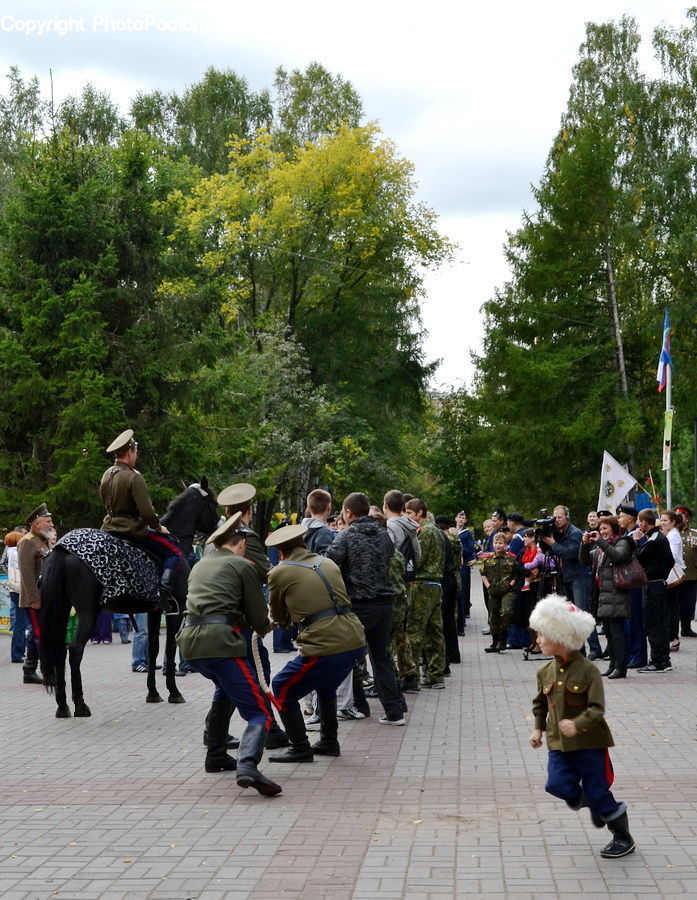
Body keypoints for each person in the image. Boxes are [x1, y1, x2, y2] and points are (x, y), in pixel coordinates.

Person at [176, 513, 282, 796]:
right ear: (242, 544)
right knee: (259, 713)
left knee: (224, 690)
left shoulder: (199, 565)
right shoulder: (242, 565)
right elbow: (258, 616)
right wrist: (269, 624)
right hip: (221, 642)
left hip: (190, 643)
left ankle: (216, 755)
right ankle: (247, 766)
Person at [528, 594, 635, 859]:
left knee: (599, 791)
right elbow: (540, 703)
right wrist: (538, 729)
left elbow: (597, 709)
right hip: (558, 744)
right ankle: (591, 803)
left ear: (560, 636)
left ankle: (622, 836)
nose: (538, 640)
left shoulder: (588, 670)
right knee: (556, 784)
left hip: (590, 744)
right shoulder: (544, 672)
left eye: (542, 634)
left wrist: (577, 724)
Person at [263, 524, 366, 761]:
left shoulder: (279, 572)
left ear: (280, 551)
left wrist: (283, 621)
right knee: (326, 685)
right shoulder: (327, 563)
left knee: (281, 687)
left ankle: (300, 747)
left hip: (325, 645)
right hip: (354, 639)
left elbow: (278, 615)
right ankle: (329, 741)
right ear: (303, 544)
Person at [326, 492, 405, 723]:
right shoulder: (383, 535)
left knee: (349, 658)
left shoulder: (346, 535)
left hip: (358, 606)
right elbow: (390, 556)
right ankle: (394, 711)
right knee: (382, 658)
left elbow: (328, 562)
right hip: (385, 604)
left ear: (348, 512)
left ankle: (357, 705)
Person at [100, 429, 182, 612]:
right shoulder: (133, 477)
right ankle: (163, 596)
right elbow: (147, 513)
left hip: (108, 527)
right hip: (131, 530)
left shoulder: (106, 474)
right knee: (174, 553)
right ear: (130, 452)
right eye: (136, 452)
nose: (136, 456)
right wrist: (158, 527)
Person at [539, 505, 602, 659]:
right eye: (555, 517)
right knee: (573, 616)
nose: (556, 520)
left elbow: (570, 554)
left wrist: (552, 542)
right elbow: (548, 550)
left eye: (559, 517)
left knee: (582, 613)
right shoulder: (557, 532)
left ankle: (595, 648)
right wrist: (544, 537)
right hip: (566, 577)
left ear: (567, 517)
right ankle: (579, 650)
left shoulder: (574, 533)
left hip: (579, 577)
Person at [580, 516, 633, 678]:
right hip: (603, 594)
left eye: (605, 528)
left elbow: (618, 556)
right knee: (609, 633)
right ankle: (612, 664)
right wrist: (584, 544)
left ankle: (621, 667)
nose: (602, 532)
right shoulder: (601, 548)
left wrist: (600, 542)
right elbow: (584, 560)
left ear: (614, 528)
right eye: (600, 529)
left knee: (618, 633)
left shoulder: (622, 542)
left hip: (617, 593)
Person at [404, 498, 446, 689]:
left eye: (409, 513)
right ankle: (436, 674)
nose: (407, 516)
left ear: (419, 513)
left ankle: (410, 674)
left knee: (415, 630)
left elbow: (417, 559)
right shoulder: (437, 531)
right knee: (434, 631)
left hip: (421, 585)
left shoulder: (424, 532)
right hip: (435, 583)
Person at [630, 508, 675, 673]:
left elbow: (637, 557)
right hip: (658, 583)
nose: (638, 525)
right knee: (659, 622)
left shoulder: (654, 539)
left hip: (653, 585)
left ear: (643, 522)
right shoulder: (657, 537)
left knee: (653, 623)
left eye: (639, 521)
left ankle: (658, 661)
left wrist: (635, 541)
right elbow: (669, 561)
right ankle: (663, 659)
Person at [18, 503, 54, 684]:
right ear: (37, 524)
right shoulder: (27, 541)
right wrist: (34, 599)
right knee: (40, 634)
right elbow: (26, 574)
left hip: (44, 596)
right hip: (35, 598)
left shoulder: (40, 540)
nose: (51, 524)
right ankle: (44, 672)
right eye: (48, 521)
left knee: (37, 633)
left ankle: (29, 670)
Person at [480, 532, 523, 653]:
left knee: (506, 612)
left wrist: (510, 585)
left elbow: (516, 575)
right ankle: (495, 642)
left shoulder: (511, 558)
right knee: (493, 616)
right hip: (493, 590)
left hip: (507, 590)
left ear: (505, 544)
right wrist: (489, 587)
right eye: (495, 543)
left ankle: (503, 640)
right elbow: (483, 574)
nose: (498, 545)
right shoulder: (487, 559)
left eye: (500, 543)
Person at [617, 504, 647, 669]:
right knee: (629, 620)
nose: (620, 519)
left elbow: (638, 556)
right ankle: (631, 654)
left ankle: (638, 656)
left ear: (630, 518)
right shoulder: (627, 534)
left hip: (634, 582)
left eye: (621, 516)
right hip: (627, 582)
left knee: (635, 620)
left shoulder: (637, 534)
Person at [434, 515, 461, 667]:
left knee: (443, 619)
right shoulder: (454, 539)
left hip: (443, 578)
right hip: (454, 577)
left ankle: (445, 658)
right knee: (451, 619)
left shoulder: (439, 539)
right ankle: (453, 654)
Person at [659, 510, 686, 652]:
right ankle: (670, 637)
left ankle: (673, 638)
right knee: (669, 607)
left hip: (673, 575)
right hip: (668, 574)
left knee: (671, 608)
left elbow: (673, 555)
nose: (662, 523)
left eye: (665, 520)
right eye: (661, 520)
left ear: (673, 522)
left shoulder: (674, 536)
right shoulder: (669, 534)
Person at [5, 531, 29, 664]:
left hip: (15, 590)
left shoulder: (10, 552)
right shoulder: (16, 553)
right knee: (21, 623)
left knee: (21, 622)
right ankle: (17, 653)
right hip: (19, 590)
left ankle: (19, 652)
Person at [675, 505, 697, 638]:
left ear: (687, 518)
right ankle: (673, 630)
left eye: (681, 516)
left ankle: (686, 628)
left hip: (691, 574)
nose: (678, 518)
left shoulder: (694, 534)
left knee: (688, 603)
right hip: (675, 575)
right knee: (674, 604)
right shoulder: (671, 533)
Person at [455, 511, 475, 632]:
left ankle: (465, 610)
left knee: (464, 587)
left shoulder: (467, 533)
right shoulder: (452, 530)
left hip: (464, 562)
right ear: (456, 518)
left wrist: (459, 547)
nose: (461, 519)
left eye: (463, 517)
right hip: (455, 563)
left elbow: (470, 547)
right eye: (459, 517)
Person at [301, 488, 336, 555]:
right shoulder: (325, 533)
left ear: (309, 508)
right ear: (328, 507)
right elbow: (326, 562)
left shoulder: (299, 532)